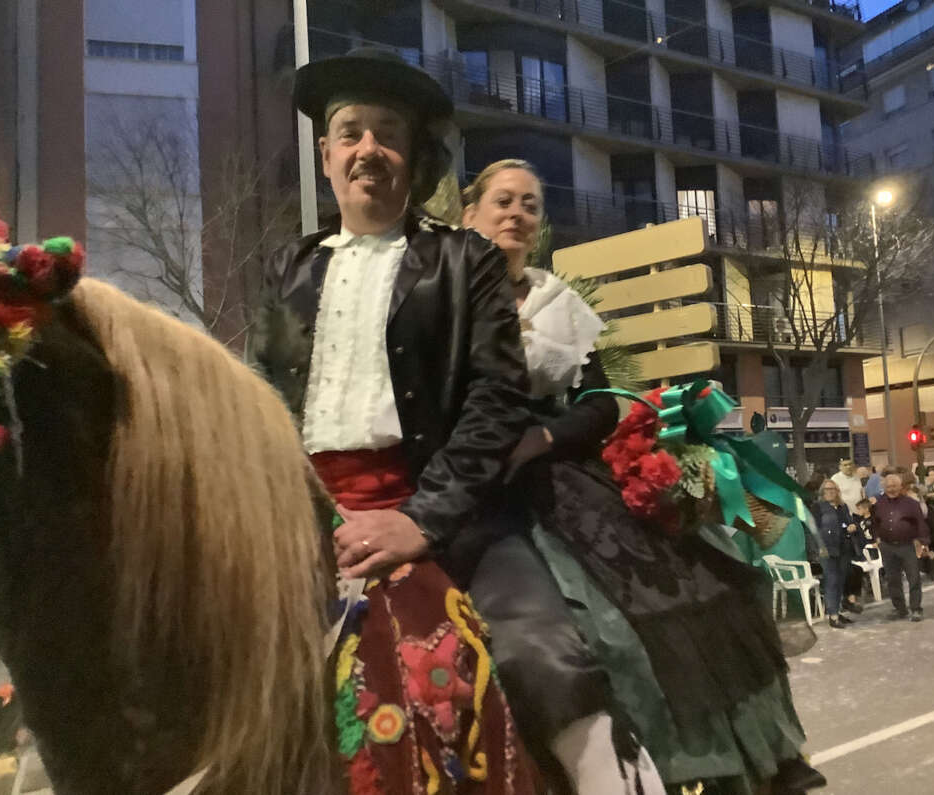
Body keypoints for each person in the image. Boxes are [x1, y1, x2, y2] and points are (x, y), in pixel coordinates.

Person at [246, 48, 660, 794]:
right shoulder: (290, 267)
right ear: (326, 154)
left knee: (545, 660)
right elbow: (265, 399)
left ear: (413, 156)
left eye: (388, 133)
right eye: (350, 132)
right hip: (308, 520)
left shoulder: (465, 259)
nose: (368, 148)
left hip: (454, 517)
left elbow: (497, 399)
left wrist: (420, 519)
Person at [462, 158, 826, 794]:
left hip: (567, 472)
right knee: (605, 630)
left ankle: (762, 756)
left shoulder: (556, 302)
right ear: (470, 215)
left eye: (530, 205)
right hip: (486, 481)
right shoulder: (443, 304)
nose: (517, 214)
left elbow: (602, 399)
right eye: (503, 201)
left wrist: (547, 436)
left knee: (712, 579)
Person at [872, 473, 930, 621]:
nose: (891, 489)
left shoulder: (911, 504)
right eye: (888, 486)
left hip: (908, 545)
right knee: (893, 579)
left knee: (914, 578)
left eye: (894, 486)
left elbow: (921, 524)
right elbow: (875, 523)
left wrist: (923, 542)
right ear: (884, 487)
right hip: (887, 546)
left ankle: (916, 609)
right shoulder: (879, 504)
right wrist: (877, 538)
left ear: (900, 487)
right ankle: (900, 609)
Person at [811, 481, 857, 628]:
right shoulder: (818, 507)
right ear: (822, 492)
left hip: (844, 548)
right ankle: (833, 616)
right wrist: (819, 547)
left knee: (841, 581)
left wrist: (852, 526)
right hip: (827, 549)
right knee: (832, 581)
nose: (830, 491)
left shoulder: (843, 507)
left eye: (833, 489)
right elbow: (813, 529)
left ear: (837, 491)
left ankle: (837, 611)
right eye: (827, 489)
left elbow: (848, 522)